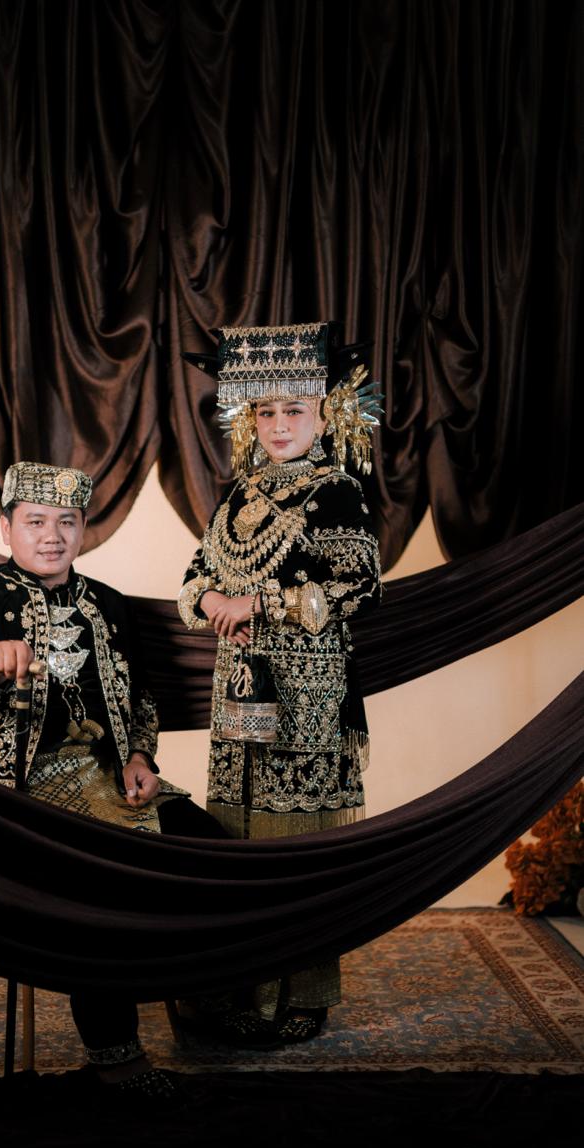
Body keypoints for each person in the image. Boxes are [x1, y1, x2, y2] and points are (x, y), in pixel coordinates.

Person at [0, 460, 221, 1099]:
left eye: (66, 522)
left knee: (214, 849)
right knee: (101, 881)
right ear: (6, 527)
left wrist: (139, 760)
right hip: (10, 792)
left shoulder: (108, 604)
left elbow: (141, 699)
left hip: (107, 777)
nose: (52, 536)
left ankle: (207, 995)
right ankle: (114, 1051)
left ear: (84, 528)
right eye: (35, 521)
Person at [177, 322, 383, 1048]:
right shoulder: (238, 495)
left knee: (296, 846)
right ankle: (242, 986)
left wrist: (259, 603)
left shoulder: (338, 491)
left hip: (308, 696)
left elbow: (360, 586)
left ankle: (305, 994)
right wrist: (209, 598)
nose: (279, 425)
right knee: (238, 838)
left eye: (294, 410)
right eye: (265, 412)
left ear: (324, 413)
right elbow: (193, 579)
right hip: (237, 691)